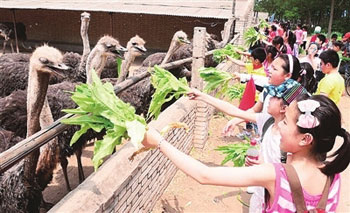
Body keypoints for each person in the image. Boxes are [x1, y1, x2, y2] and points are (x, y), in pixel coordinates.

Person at [142, 94, 350, 212]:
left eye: (286, 123)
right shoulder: (333, 174)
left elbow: (204, 175)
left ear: (305, 139)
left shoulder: (276, 174)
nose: (281, 128)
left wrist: (159, 142)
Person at [223, 54, 302, 137]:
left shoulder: (296, 98)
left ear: (287, 75)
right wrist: (235, 120)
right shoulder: (269, 89)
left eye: (274, 69)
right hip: (266, 137)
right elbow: (254, 109)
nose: (269, 70)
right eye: (271, 67)